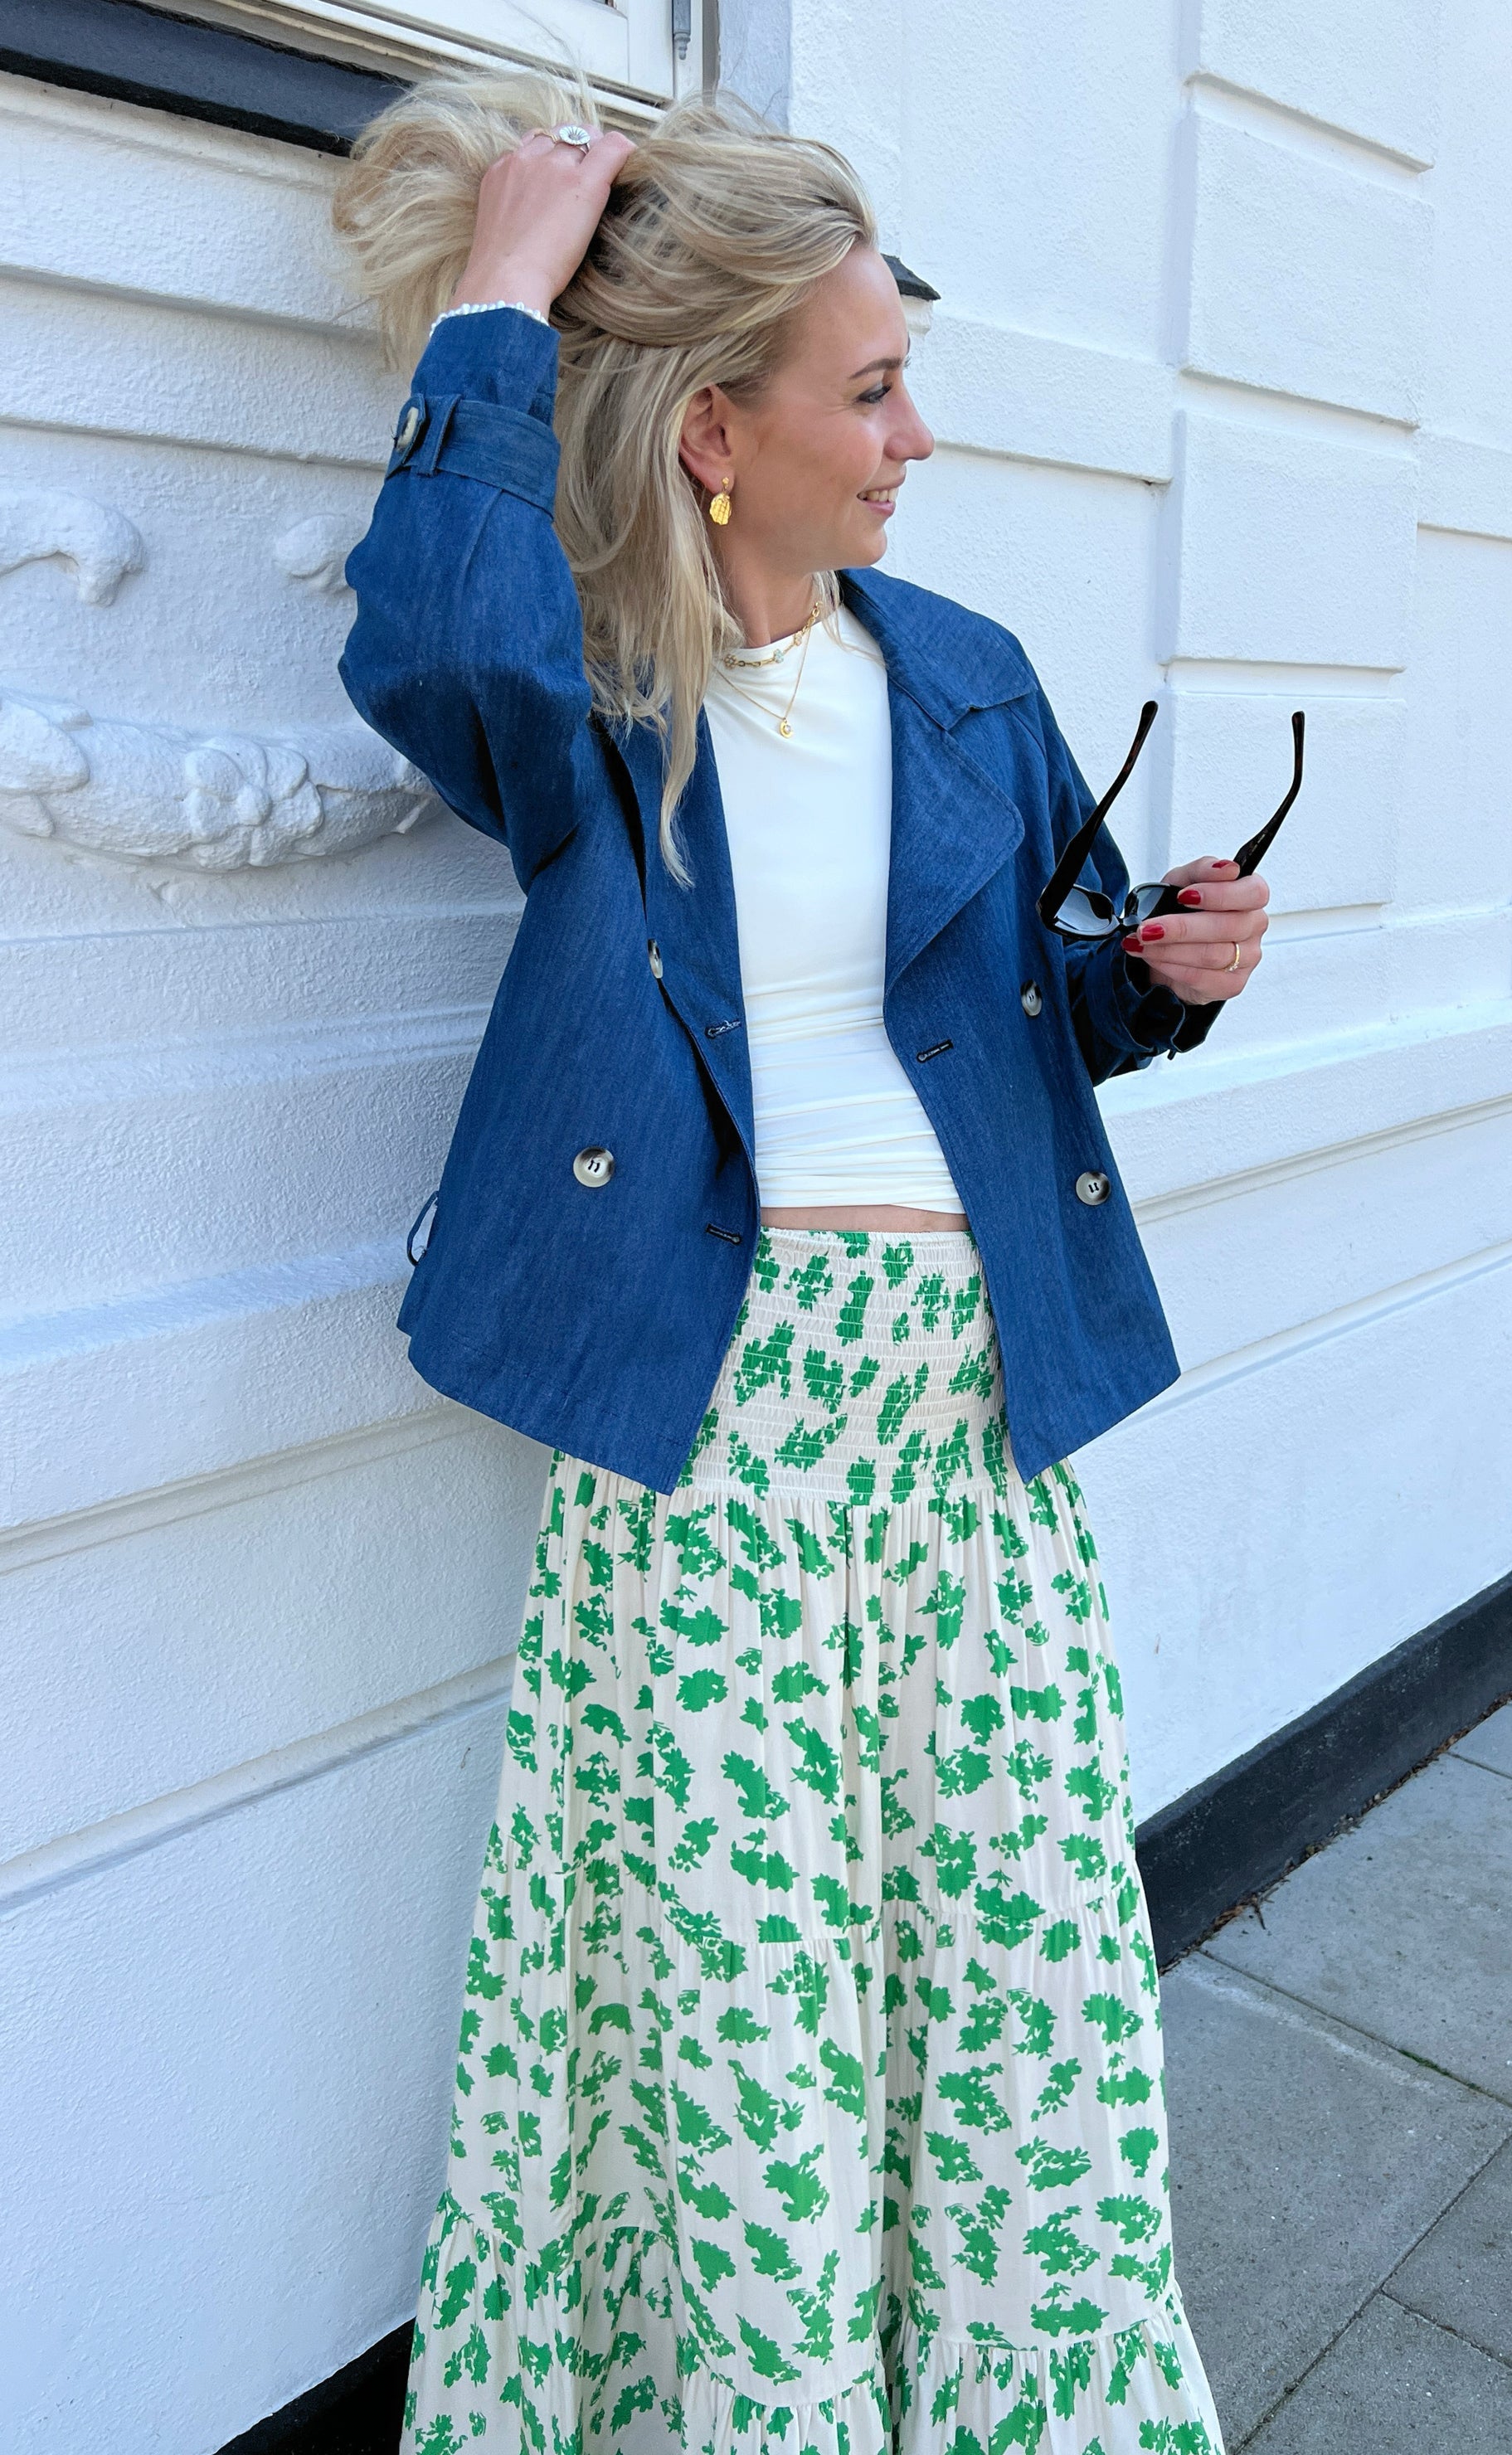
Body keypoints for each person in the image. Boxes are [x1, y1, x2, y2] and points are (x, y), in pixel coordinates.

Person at [334, 72, 1266, 2455]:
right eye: (874, 390)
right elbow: (426, 642)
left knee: (1025, 1997)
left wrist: (1160, 978)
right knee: (739, 2024)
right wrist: (501, 295)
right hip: (714, 1433)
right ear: (716, 433)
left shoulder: (959, 667)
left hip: (976, 1429)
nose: (918, 439)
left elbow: (1048, 999)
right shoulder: (595, 694)